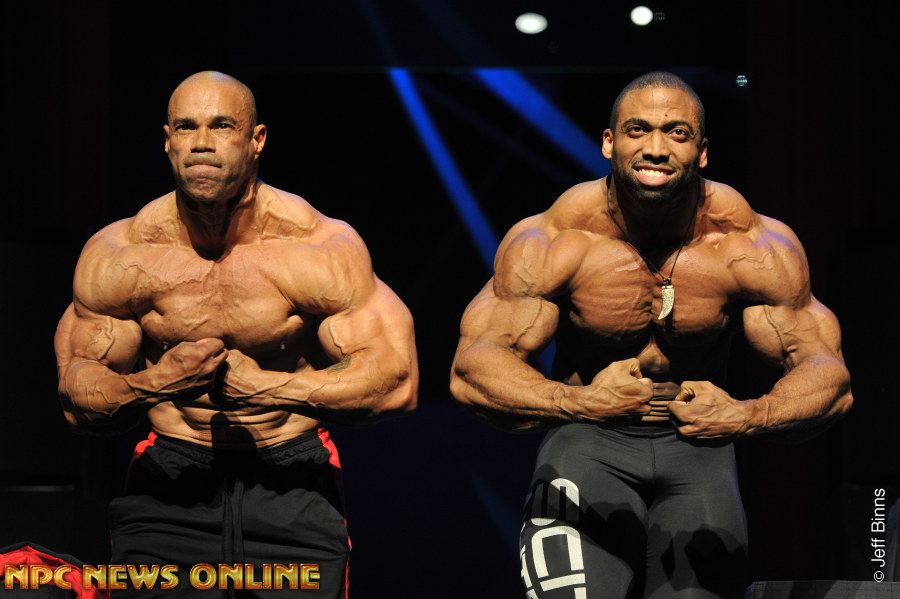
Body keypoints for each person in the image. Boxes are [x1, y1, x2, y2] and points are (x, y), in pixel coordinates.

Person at [449, 72, 852, 598]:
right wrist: (577, 402)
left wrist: (748, 415)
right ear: (609, 142)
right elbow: (473, 368)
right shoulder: (555, 239)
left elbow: (829, 376)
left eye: (677, 133)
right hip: (587, 441)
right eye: (638, 130)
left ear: (702, 152)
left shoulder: (752, 246)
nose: (656, 149)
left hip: (700, 451)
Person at [54, 71, 418, 598]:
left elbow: (395, 383)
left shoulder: (318, 248)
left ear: (256, 140)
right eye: (186, 127)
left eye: (222, 126)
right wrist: (154, 384)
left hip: (291, 476)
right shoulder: (121, 255)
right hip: (170, 480)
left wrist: (269, 388)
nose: (202, 143)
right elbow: (77, 402)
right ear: (168, 141)